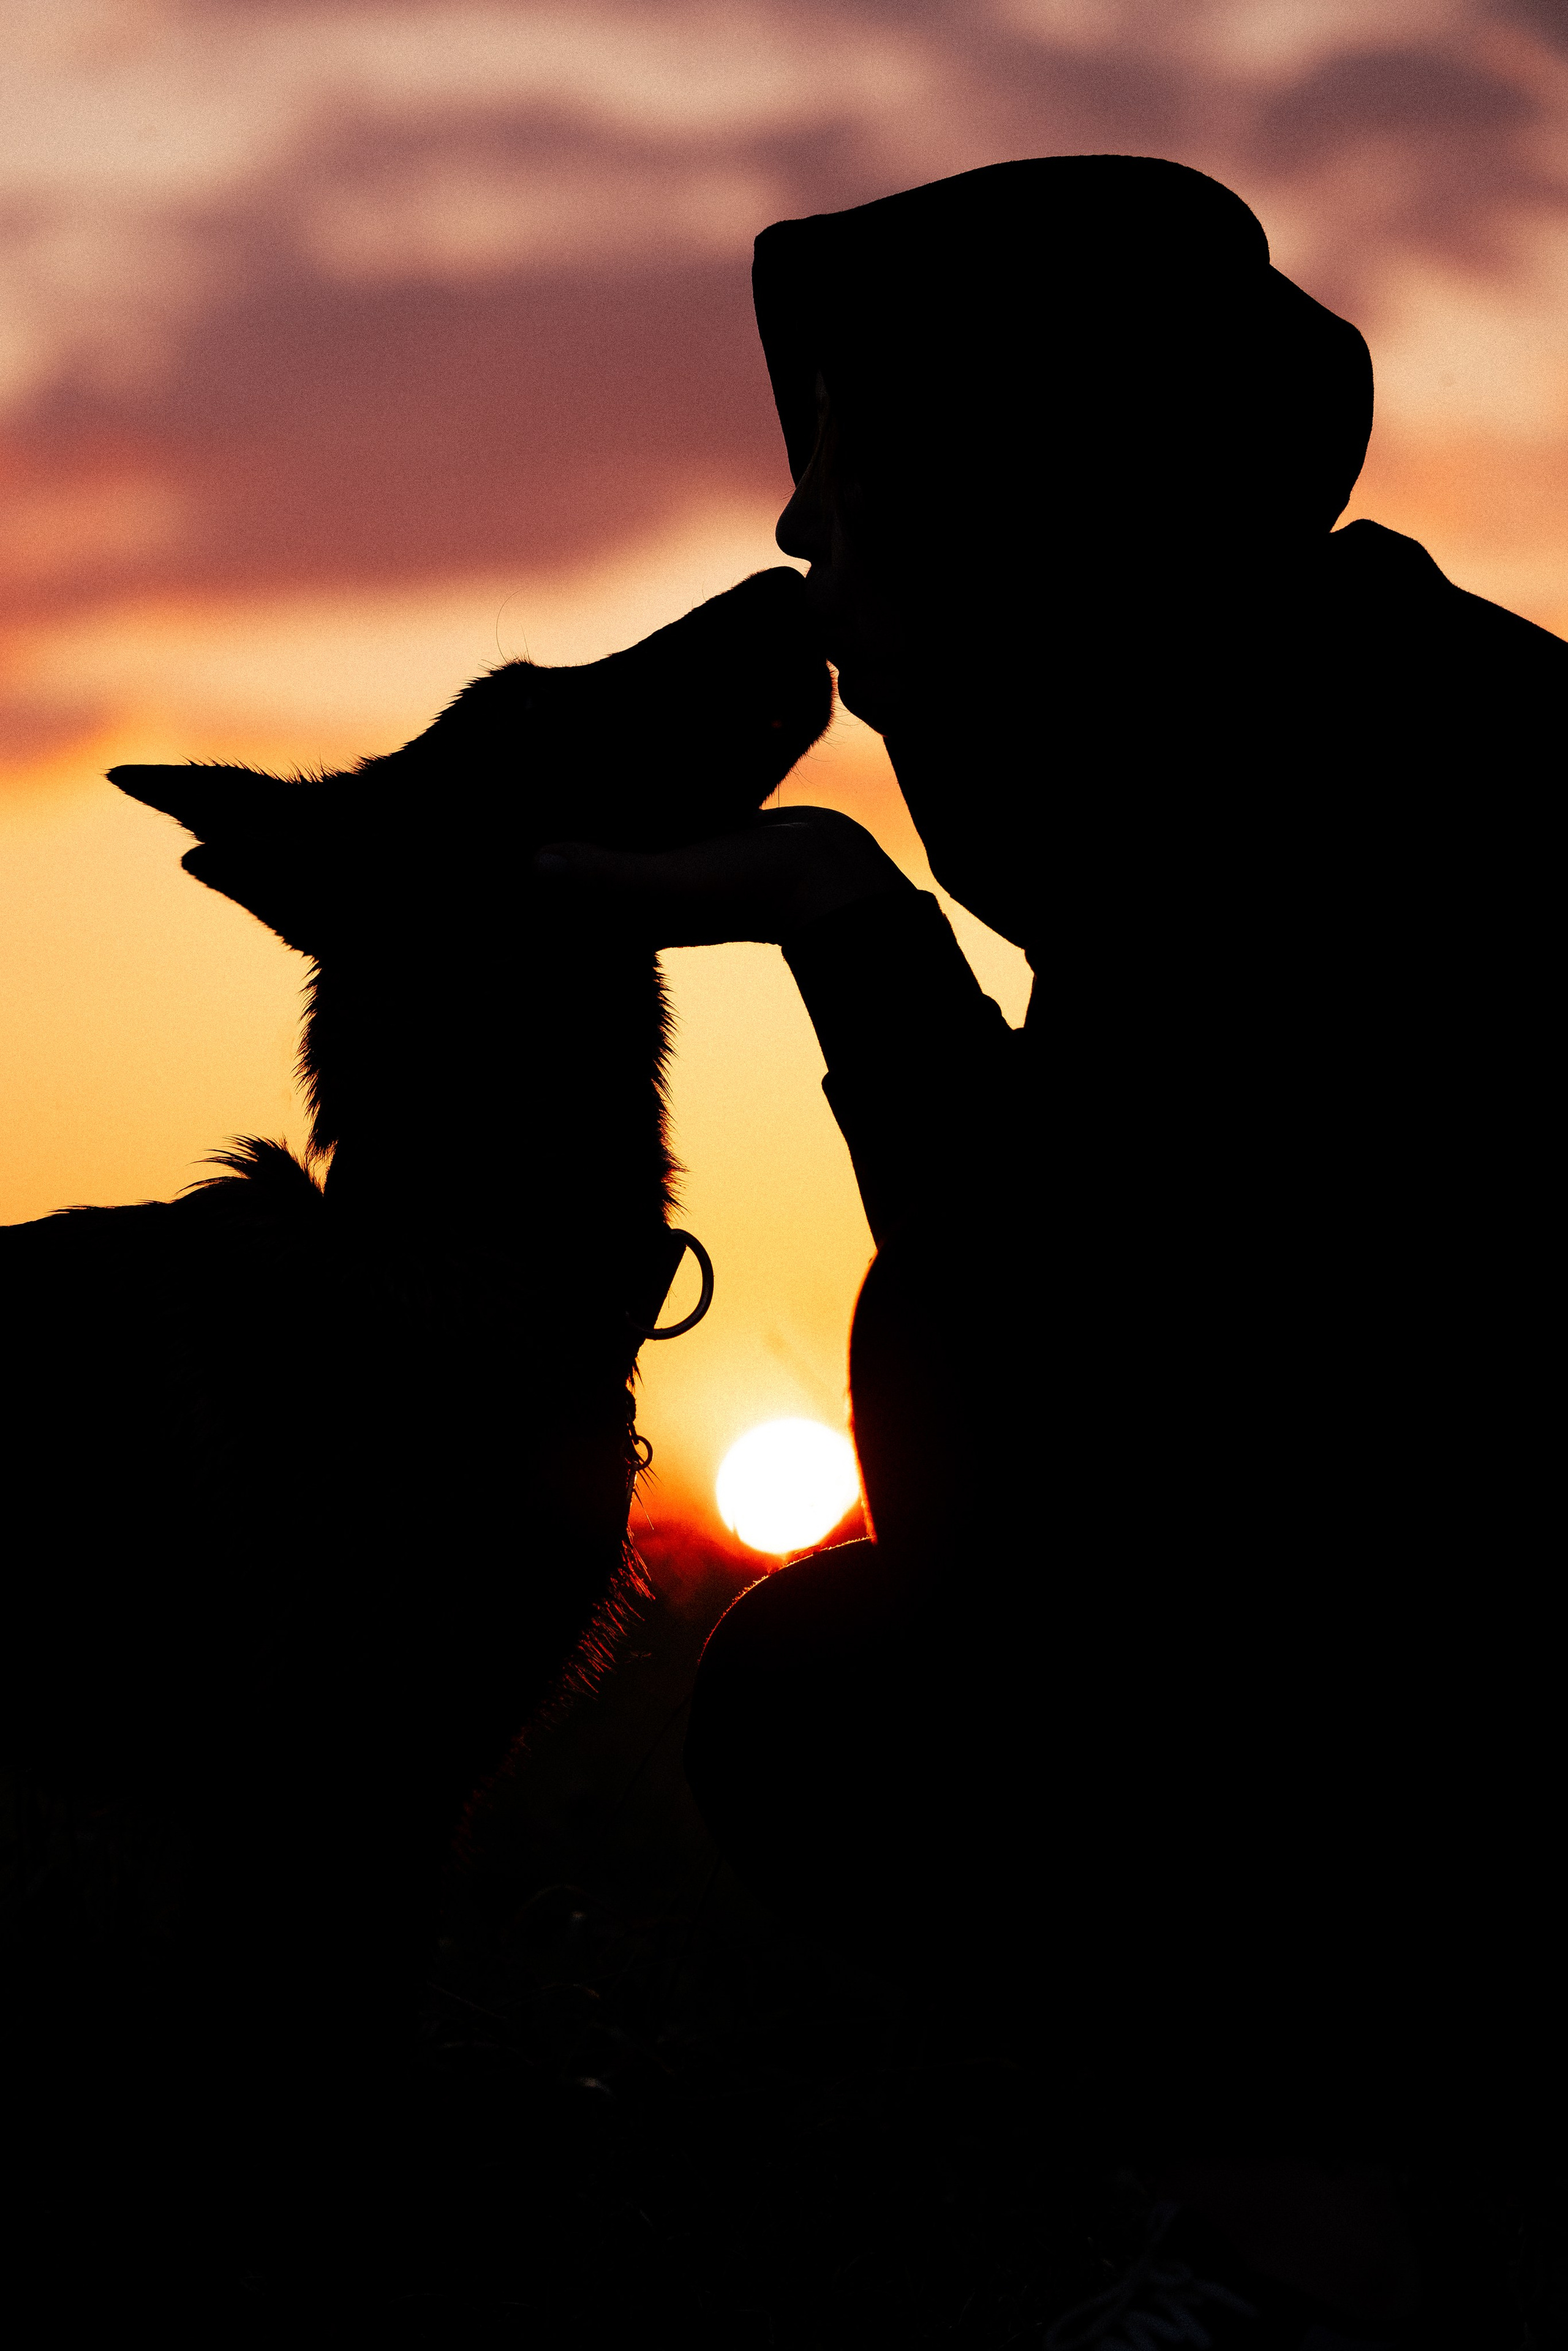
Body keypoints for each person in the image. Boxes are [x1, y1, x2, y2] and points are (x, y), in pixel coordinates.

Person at [534, 158, 1564, 2349]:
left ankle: (1302, 2233)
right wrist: (843, 909)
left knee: (864, 1696)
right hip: (1434, 1678)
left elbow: (1093, 1381)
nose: (829, 606)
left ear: (1062, 515)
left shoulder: (1379, 817)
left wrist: (849, 925)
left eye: (873, 526)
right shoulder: (1302, 740)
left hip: (1489, 1689)